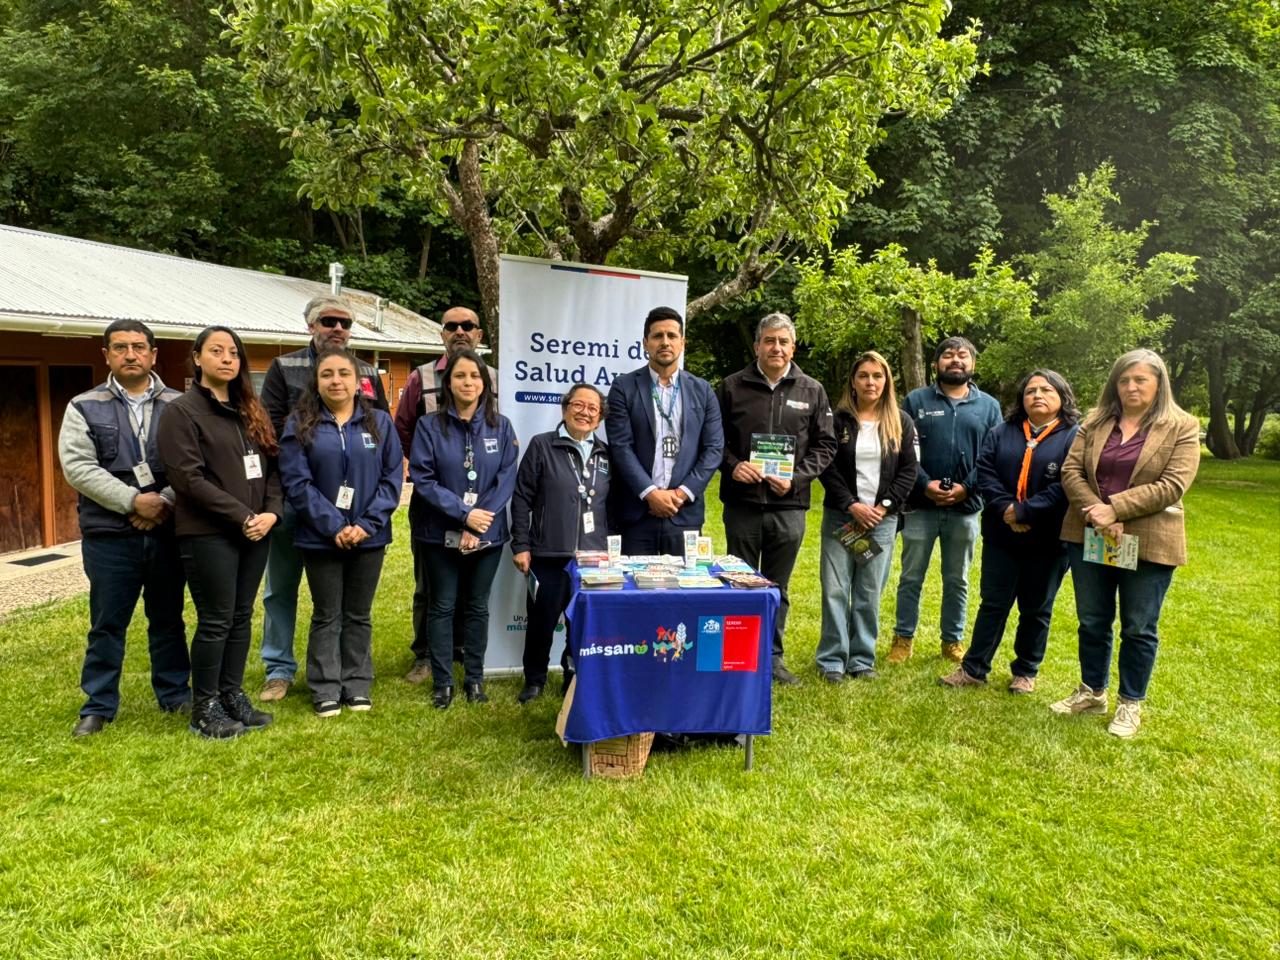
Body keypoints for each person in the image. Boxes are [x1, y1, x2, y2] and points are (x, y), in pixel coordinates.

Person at [1051, 349, 1200, 738]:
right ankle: (1092, 691)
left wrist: (1116, 509)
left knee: (1138, 626)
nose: (1131, 386)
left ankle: (1130, 703)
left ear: (1159, 383)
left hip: (1149, 539)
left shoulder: (1182, 426)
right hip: (1091, 533)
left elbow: (1173, 484)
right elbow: (1071, 470)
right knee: (1092, 620)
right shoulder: (1095, 421)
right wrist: (1097, 513)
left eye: (1140, 379)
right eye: (1124, 380)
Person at [59, 319, 191, 737]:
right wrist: (133, 501)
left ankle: (175, 694)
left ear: (153, 354)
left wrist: (162, 501)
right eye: (120, 347)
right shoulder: (83, 406)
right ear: (106, 355)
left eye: (138, 346)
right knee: (107, 623)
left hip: (167, 531)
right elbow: (78, 467)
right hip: (110, 535)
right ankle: (98, 706)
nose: (130, 354)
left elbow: (195, 463)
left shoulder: (181, 404)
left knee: (168, 618)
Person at [257, 296, 389, 703]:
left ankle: (345, 674)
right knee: (281, 588)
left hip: (354, 509)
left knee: (341, 601)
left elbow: (378, 431)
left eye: (344, 322)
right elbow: (267, 431)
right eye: (328, 320)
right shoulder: (284, 367)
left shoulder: (366, 372)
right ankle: (278, 669)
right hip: (295, 496)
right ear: (311, 325)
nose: (337, 328)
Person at [157, 326, 281, 739]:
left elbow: (273, 468)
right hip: (209, 533)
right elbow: (187, 479)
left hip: (257, 531)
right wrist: (243, 516)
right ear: (197, 358)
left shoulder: (251, 409)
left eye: (233, 352)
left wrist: (271, 514)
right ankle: (204, 706)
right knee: (216, 619)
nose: (227, 359)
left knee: (241, 616)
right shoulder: (181, 412)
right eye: (216, 351)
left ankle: (231, 694)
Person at [279, 349, 404, 717]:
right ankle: (325, 687)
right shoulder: (299, 423)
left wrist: (365, 525)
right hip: (320, 537)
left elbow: (392, 478)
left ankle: (357, 683)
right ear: (316, 382)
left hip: (370, 536)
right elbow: (296, 481)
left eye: (343, 373)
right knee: (327, 613)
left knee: (359, 614)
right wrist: (333, 525)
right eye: (327, 374)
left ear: (357, 381)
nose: (336, 381)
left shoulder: (380, 422)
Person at [939, 370, 1080, 693]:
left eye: (1046, 390)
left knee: (1036, 608)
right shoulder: (1002, 432)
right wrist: (1006, 508)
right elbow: (985, 471)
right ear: (1021, 399)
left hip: (1048, 538)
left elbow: (1068, 483)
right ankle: (974, 669)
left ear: (1062, 397)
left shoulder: (1074, 436)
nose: (1037, 395)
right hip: (1002, 534)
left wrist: (1026, 511)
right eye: (1030, 391)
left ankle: (1025, 671)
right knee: (993, 603)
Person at [716, 312, 836, 685]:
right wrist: (733, 466)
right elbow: (713, 441)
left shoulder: (812, 390)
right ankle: (737, 657)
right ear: (757, 346)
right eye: (769, 340)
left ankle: (772, 658)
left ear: (793, 348)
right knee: (739, 584)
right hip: (742, 504)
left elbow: (826, 444)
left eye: (783, 342)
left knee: (776, 588)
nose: (776, 348)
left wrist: (796, 478)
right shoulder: (731, 387)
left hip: (789, 506)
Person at [408, 349, 518, 709]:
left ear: (484, 383)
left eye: (474, 375)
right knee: (441, 605)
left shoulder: (501, 426)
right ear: (448, 383)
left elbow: (506, 478)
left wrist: (479, 520)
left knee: (476, 606)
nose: (468, 382)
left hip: (487, 534)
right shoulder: (429, 426)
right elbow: (423, 477)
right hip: (439, 532)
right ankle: (443, 682)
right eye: (460, 376)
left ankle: (474, 679)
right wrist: (464, 515)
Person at [394, 306, 497, 685]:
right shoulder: (421, 377)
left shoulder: (494, 378)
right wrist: (436, 463)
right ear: (442, 334)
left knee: (472, 586)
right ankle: (425, 655)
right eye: (451, 326)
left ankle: (462, 649)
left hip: (481, 507)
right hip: (433, 504)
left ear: (479, 334)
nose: (459, 331)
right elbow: (403, 429)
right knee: (430, 585)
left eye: (467, 326)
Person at [891, 336, 1002, 664]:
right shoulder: (915, 400)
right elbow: (902, 450)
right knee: (911, 577)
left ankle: (952, 641)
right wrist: (924, 484)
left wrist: (966, 488)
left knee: (957, 579)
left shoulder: (989, 407)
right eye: (948, 355)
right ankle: (902, 638)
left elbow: (993, 455)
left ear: (973, 364)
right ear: (935, 364)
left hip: (965, 509)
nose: (956, 360)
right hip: (920, 506)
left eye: (963, 355)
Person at [816, 351, 918, 683]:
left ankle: (861, 658)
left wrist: (883, 507)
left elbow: (909, 470)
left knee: (869, 591)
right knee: (835, 588)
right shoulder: (837, 420)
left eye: (877, 375)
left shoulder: (901, 421)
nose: (870, 382)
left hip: (881, 521)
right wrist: (851, 505)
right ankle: (832, 659)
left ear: (887, 381)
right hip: (841, 518)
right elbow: (827, 467)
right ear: (853, 381)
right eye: (863, 375)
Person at [509, 384, 612, 703]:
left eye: (593, 408)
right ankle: (534, 680)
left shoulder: (606, 453)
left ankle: (572, 677)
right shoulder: (542, 445)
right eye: (578, 405)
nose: (585, 412)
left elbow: (613, 506)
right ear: (565, 408)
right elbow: (521, 497)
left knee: (580, 624)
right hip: (547, 554)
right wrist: (521, 544)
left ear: (599, 418)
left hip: (592, 559)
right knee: (541, 622)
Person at [605, 306, 724, 556]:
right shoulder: (623, 387)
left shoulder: (703, 391)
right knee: (633, 582)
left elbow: (713, 449)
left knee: (685, 582)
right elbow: (621, 446)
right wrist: (651, 493)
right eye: (658, 336)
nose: (665, 342)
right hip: (637, 513)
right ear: (645, 343)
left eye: (672, 335)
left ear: (682, 343)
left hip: (684, 514)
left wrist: (681, 493)